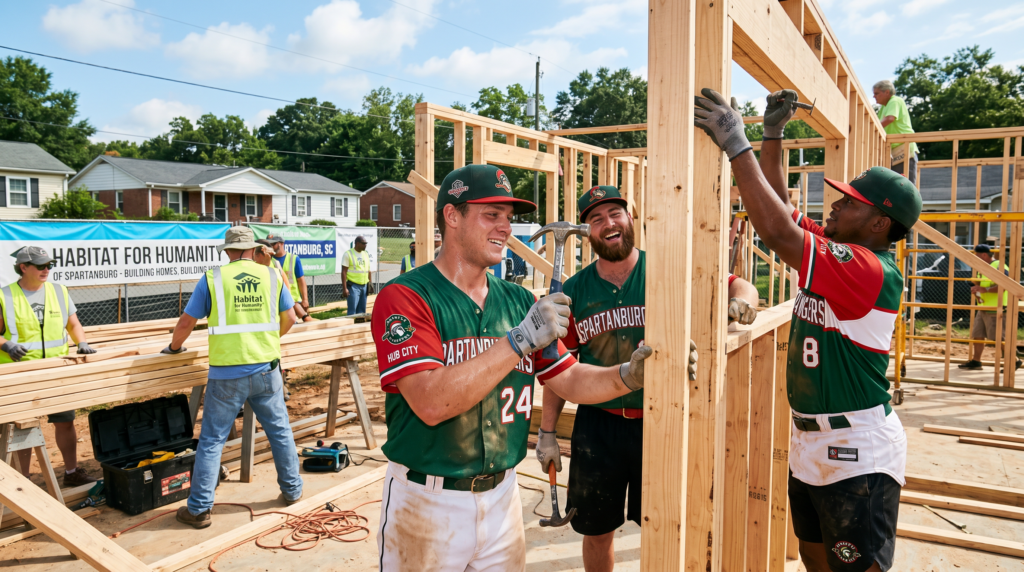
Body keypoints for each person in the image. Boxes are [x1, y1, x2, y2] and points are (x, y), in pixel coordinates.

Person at [371, 164, 694, 571]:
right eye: (492, 215)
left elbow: (571, 378)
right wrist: (519, 340)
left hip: (504, 497)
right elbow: (432, 402)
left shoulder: (518, 301)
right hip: (428, 503)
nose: (506, 228)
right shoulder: (406, 297)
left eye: (509, 217)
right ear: (452, 216)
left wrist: (627, 375)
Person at [695, 88, 921, 572]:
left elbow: (776, 232)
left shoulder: (870, 269)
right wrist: (772, 134)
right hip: (810, 445)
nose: (835, 206)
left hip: (858, 452)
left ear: (880, 223)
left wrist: (738, 146)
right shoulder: (839, 246)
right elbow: (780, 205)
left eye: (851, 203)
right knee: (814, 561)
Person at [536, 185, 759, 571]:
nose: (608, 224)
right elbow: (561, 370)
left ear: (631, 219)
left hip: (662, 421)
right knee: (596, 528)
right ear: (586, 232)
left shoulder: (669, 273)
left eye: (615, 214)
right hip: (597, 426)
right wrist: (547, 432)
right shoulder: (574, 292)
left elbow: (734, 284)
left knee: (667, 524)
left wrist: (745, 303)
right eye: (595, 219)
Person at [166, 227, 302, 529]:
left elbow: (187, 321)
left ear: (227, 251)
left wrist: (174, 348)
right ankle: (292, 491)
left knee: (212, 440)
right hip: (266, 369)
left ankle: (200, 509)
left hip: (226, 375)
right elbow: (291, 317)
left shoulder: (213, 278)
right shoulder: (270, 276)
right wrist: (269, 342)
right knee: (279, 430)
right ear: (253, 249)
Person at [0, 246, 98, 487]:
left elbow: (73, 324)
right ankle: (24, 480)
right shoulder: (5, 295)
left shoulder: (59, 291)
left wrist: (82, 342)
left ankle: (72, 471)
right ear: (23, 267)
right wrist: (6, 346)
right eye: (41, 266)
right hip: (22, 372)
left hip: (57, 370)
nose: (47, 270)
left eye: (49, 265)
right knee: (23, 428)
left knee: (65, 421)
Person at [960, 244, 1021, 370]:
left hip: (997, 308)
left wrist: (984, 289)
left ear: (984, 255)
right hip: (983, 307)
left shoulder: (999, 266)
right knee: (978, 335)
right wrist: (977, 289)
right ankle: (976, 361)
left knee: (998, 338)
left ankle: (1015, 361)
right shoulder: (983, 267)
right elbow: (985, 286)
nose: (976, 258)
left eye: (977, 255)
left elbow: (1005, 286)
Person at [873, 80, 918, 186]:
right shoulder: (884, 107)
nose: (874, 96)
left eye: (877, 93)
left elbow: (889, 118)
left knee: (906, 187)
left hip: (904, 148)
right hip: (892, 150)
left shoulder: (895, 100)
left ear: (887, 92)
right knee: (894, 187)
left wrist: (869, 130)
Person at [263, 234, 312, 322]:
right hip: (277, 301)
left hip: (294, 300)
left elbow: (301, 280)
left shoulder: (294, 258)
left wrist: (305, 299)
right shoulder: (268, 260)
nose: (271, 247)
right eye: (269, 245)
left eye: (273, 244)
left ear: (281, 244)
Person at [341, 236, 372, 317]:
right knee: (352, 312)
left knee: (362, 312)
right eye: (363, 243)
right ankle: (350, 328)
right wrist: (344, 288)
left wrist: (370, 283)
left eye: (366, 243)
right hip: (353, 286)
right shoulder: (348, 254)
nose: (365, 245)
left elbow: (368, 270)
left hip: (364, 285)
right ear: (357, 243)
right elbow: (343, 272)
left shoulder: (365, 254)